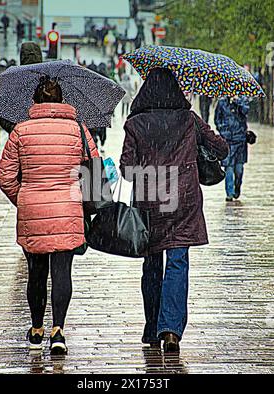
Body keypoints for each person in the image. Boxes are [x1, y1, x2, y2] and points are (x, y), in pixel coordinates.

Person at [120, 68, 228, 353]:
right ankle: (170, 329)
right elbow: (221, 147)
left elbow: (128, 170)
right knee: (178, 260)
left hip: (150, 201)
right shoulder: (188, 120)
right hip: (183, 199)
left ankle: (152, 326)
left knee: (152, 263)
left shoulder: (136, 123)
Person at [0, 77, 99, 354]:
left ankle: (36, 327)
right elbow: (94, 172)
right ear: (62, 99)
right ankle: (58, 331)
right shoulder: (78, 129)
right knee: (62, 271)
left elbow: (5, 176)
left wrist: (24, 198)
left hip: (33, 209)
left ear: (35, 101)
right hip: (67, 208)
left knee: (37, 271)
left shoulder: (21, 130)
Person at [0, 42, 43, 134]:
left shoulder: (12, 82)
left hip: (21, 138)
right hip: (44, 135)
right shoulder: (50, 81)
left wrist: (14, 128)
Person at [214, 96, 249, 201]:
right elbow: (217, 119)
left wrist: (237, 102)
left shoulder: (243, 100)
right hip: (227, 140)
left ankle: (237, 187)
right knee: (228, 167)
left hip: (241, 139)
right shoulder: (221, 102)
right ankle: (229, 193)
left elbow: (245, 111)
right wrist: (223, 130)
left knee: (239, 169)